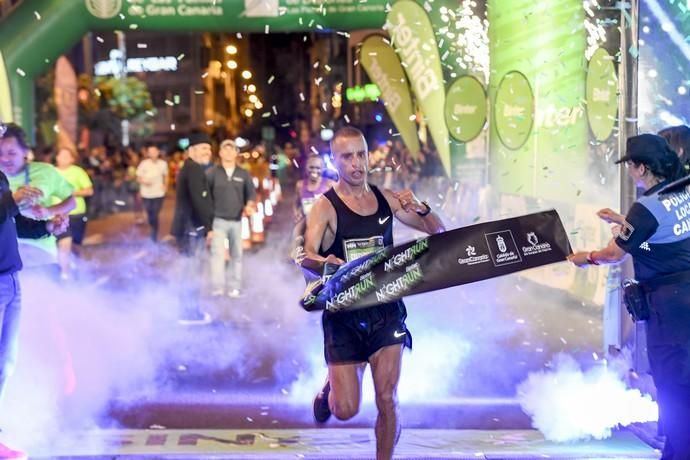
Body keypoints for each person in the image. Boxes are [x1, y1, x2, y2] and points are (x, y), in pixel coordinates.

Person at [303, 126, 445, 460]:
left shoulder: (388, 199)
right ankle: (331, 388)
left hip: (386, 308)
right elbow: (306, 256)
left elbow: (438, 231)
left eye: (361, 155)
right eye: (347, 156)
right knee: (345, 410)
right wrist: (327, 262)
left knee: (387, 398)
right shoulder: (325, 207)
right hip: (344, 315)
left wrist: (422, 208)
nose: (356, 163)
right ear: (334, 161)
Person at [568, 134, 690, 460]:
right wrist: (625, 222)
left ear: (643, 168)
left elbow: (613, 254)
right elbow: (664, 235)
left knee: (674, 389)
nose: (631, 173)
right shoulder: (682, 190)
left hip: (670, 309)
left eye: (632, 166)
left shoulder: (645, 208)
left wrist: (587, 257)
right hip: (685, 298)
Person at [0, 145, 68, 458]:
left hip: (10, 278)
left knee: (5, 364)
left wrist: (46, 227)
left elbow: (9, 222)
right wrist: (12, 201)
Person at [0, 123, 75, 276]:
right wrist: (13, 201)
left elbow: (71, 201)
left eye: (11, 153)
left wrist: (49, 214)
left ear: (25, 151)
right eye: (0, 153)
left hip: (41, 253)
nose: (4, 159)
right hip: (7, 260)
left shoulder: (45, 172)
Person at [171, 131, 214, 325]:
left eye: (209, 149)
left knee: (189, 269)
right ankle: (190, 312)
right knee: (192, 270)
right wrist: (209, 226)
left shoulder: (188, 168)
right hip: (191, 228)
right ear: (192, 150)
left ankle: (187, 309)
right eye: (204, 148)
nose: (208, 152)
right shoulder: (194, 169)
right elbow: (200, 201)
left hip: (187, 228)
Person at [207, 139, 256, 298]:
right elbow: (205, 197)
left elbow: (251, 194)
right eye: (225, 149)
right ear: (220, 153)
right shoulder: (212, 173)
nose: (228, 153)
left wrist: (249, 205)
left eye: (232, 149)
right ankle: (218, 287)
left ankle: (235, 287)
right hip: (217, 221)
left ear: (236, 153)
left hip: (236, 221)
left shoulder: (243, 174)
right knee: (217, 255)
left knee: (237, 255)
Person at [55, 146, 94, 277]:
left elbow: (89, 190)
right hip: (58, 215)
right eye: (61, 155)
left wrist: (73, 193)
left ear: (72, 159)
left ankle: (76, 265)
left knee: (75, 246)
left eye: (67, 156)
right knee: (64, 244)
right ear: (57, 157)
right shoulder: (51, 172)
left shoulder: (78, 172)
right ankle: (64, 274)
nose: (63, 158)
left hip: (77, 213)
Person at [291, 155, 335, 263]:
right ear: (306, 168)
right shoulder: (300, 185)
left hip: (325, 224)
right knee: (297, 232)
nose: (314, 170)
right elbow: (296, 203)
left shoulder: (329, 184)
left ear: (323, 169)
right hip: (307, 222)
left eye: (318, 168)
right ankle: (297, 256)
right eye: (311, 167)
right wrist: (296, 212)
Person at [136, 142, 168, 241]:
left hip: (158, 193)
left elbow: (166, 176)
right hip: (146, 194)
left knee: (155, 213)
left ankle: (154, 234)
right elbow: (138, 177)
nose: (152, 153)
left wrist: (165, 186)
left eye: (154, 151)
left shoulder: (163, 164)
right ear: (148, 153)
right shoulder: (143, 164)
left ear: (158, 152)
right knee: (150, 213)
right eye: (150, 152)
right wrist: (144, 182)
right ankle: (152, 228)